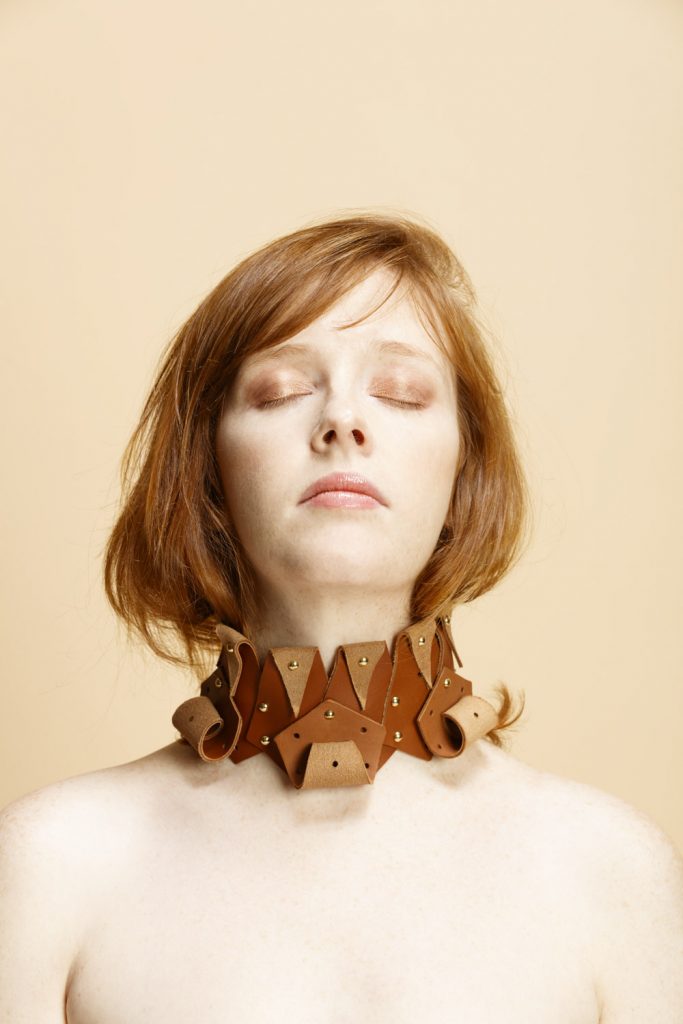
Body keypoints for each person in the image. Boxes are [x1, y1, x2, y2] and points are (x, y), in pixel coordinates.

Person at [1, 211, 681, 1021]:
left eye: (401, 393)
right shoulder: (50, 866)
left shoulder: (610, 872)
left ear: (463, 473)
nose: (342, 421)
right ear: (207, 472)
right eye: (281, 391)